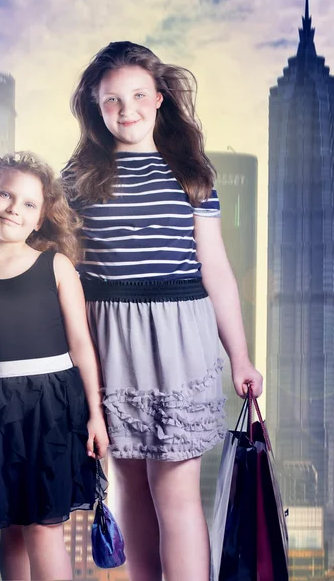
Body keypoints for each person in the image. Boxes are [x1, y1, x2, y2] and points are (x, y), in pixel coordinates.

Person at [62, 41, 263, 581]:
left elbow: (215, 267)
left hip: (179, 334)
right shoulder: (76, 179)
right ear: (95, 108)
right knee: (126, 484)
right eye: (111, 100)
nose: (125, 110)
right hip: (107, 341)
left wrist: (241, 359)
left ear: (159, 99)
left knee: (175, 489)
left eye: (136, 96)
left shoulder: (191, 173)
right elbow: (62, 275)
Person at [0, 151, 109, 581]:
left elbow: (82, 345)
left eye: (29, 203)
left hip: (51, 409)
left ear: (41, 216)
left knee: (45, 530)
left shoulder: (57, 267)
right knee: (9, 532)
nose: (14, 207)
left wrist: (96, 416)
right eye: (5, 195)